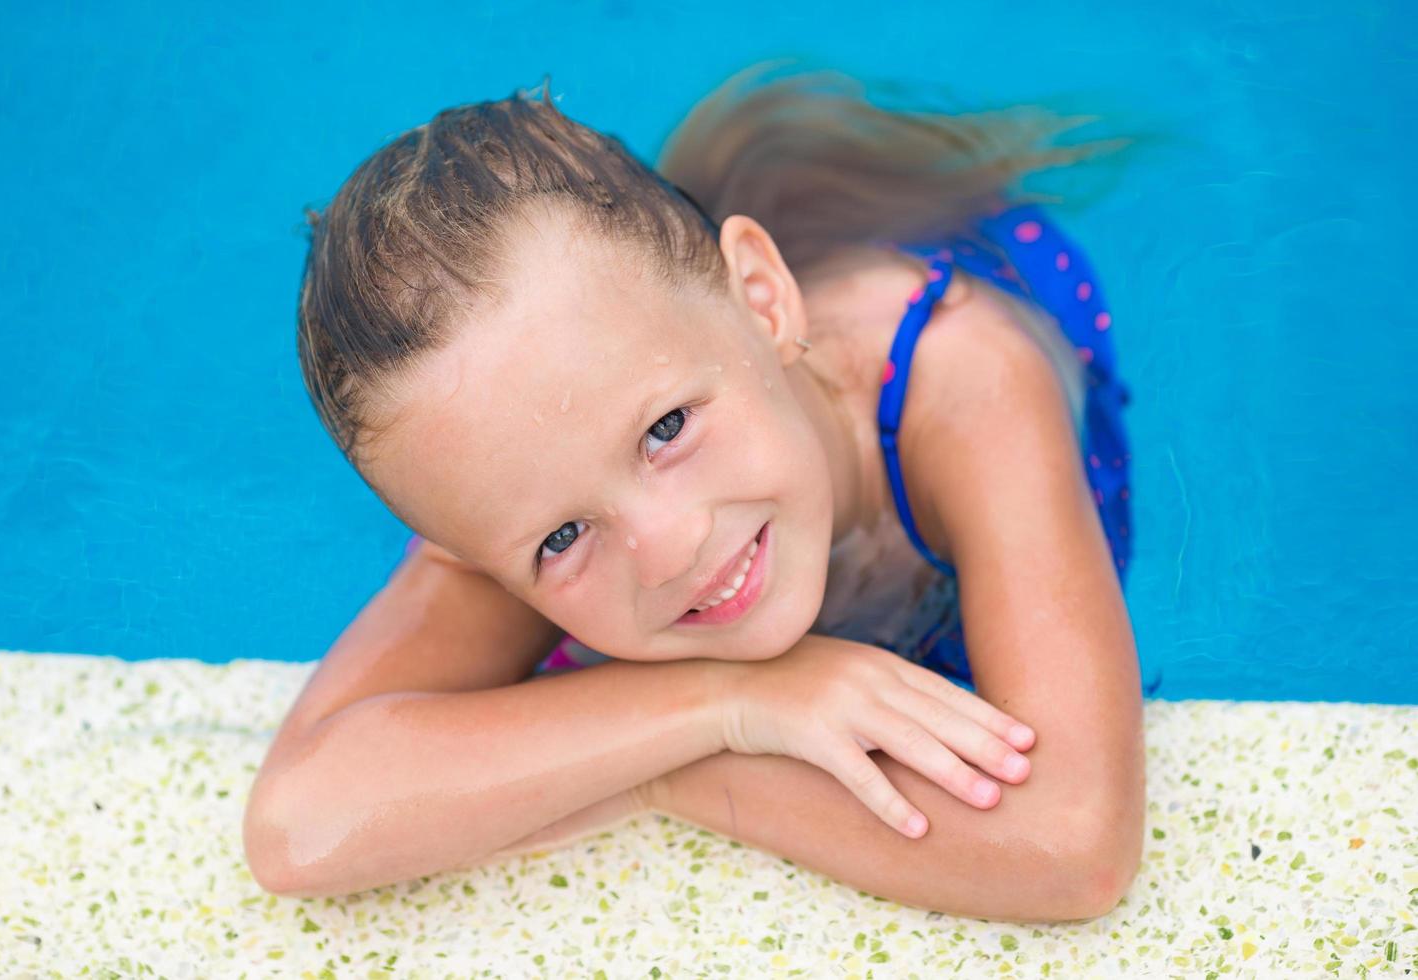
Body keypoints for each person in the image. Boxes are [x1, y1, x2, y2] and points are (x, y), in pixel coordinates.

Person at [246, 64, 1151, 920]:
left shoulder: (959, 384)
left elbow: (1075, 843)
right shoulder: (508, 468)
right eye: (561, 541)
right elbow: (299, 825)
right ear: (462, 549)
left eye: (667, 429)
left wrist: (665, 773)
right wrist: (721, 709)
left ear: (764, 302)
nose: (669, 547)